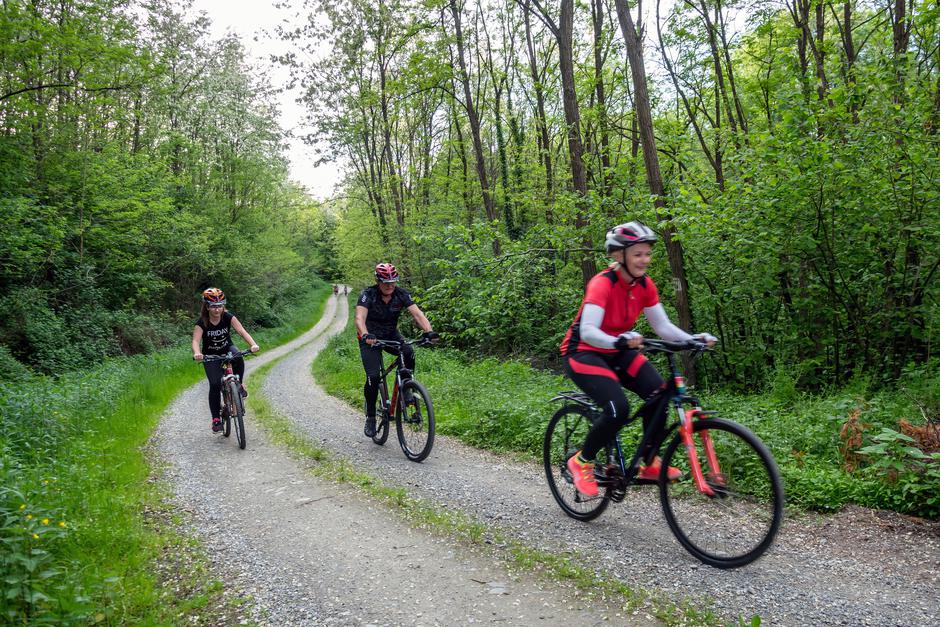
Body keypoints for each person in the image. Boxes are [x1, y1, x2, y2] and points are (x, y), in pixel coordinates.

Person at [560, 222, 716, 497]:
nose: (645, 260)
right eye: (638, 254)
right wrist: (618, 341)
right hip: (583, 352)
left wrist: (693, 338)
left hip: (617, 350)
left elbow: (663, 327)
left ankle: (649, 461)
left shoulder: (644, 285)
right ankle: (581, 460)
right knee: (617, 408)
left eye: (647, 254)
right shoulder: (602, 284)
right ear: (619, 256)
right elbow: (588, 331)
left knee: (659, 395)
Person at [356, 263, 439, 437]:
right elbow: (359, 318)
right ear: (378, 281)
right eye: (386, 282)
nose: (390, 285)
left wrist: (429, 332)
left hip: (391, 335)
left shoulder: (401, 294)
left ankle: (407, 388)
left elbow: (418, 314)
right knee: (372, 377)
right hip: (370, 337)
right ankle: (371, 417)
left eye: (393, 282)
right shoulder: (367, 295)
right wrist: (365, 334)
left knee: (408, 350)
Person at [192, 287, 260, 433]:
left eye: (220, 305)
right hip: (210, 355)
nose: (217, 310)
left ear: (223, 305)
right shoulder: (201, 323)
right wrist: (197, 353)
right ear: (207, 306)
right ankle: (216, 418)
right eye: (213, 306)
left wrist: (253, 344)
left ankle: (239, 386)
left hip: (226, 348)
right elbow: (196, 341)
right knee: (215, 384)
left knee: (238, 356)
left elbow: (242, 331)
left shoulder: (228, 317)